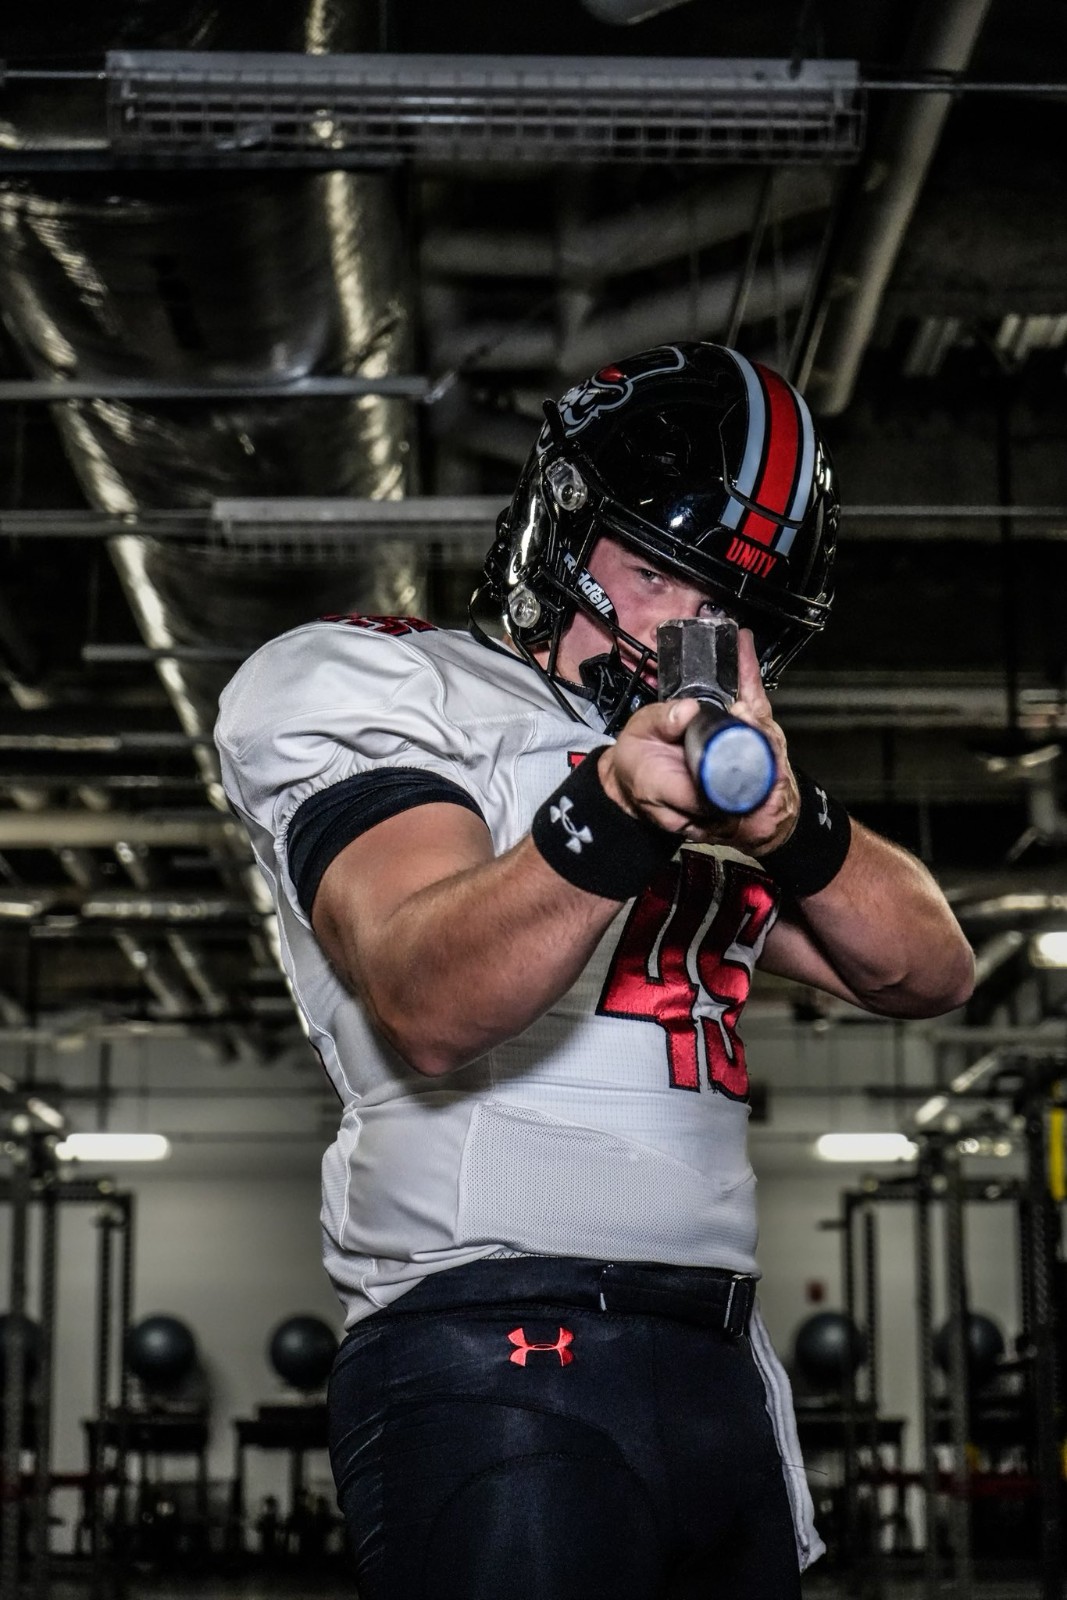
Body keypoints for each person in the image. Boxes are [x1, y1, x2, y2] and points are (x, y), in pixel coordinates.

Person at [215, 341, 974, 1599]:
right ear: (560, 524)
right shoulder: (400, 686)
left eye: (734, 608)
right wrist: (615, 806)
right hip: (491, 1335)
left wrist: (784, 821)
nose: (691, 627)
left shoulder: (709, 784)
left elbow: (929, 971)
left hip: (715, 1352)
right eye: (659, 571)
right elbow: (427, 998)